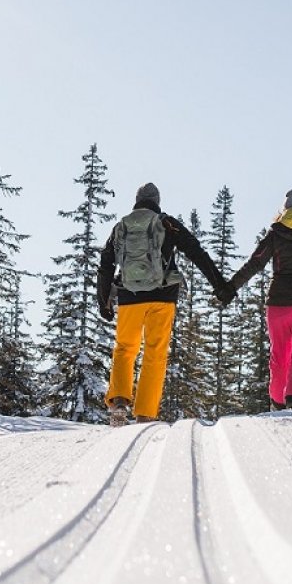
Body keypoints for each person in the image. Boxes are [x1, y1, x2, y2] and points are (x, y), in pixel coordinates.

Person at [98, 182, 228, 426]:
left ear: (136, 201)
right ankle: (145, 413)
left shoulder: (121, 226)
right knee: (155, 352)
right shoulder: (167, 223)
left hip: (129, 296)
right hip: (163, 296)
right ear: (157, 201)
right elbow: (196, 252)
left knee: (125, 348)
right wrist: (220, 286)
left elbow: (106, 263)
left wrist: (103, 301)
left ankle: (119, 401)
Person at [222, 187, 292, 410]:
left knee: (280, 353)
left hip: (279, 304)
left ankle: (278, 401)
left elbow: (254, 264)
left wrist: (231, 287)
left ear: (284, 209)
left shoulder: (275, 235)